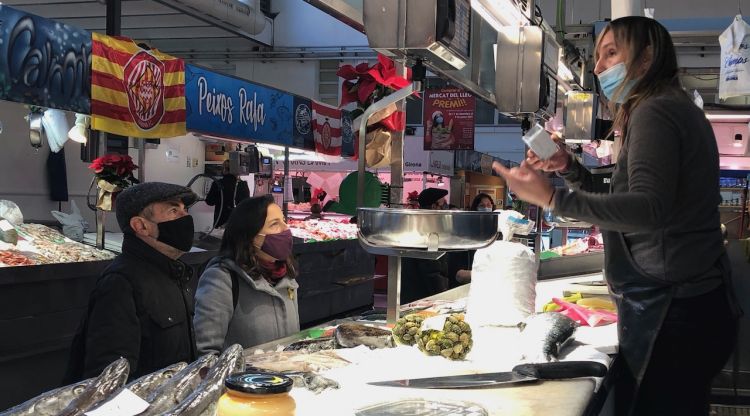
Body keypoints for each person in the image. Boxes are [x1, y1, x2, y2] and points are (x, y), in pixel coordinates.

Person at [493, 16, 739, 416]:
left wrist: (553, 200)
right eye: (597, 56)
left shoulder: (656, 111)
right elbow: (627, 201)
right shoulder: (664, 106)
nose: (597, 66)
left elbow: (647, 210)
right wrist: (569, 168)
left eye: (611, 53)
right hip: (688, 306)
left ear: (646, 59)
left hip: (674, 312)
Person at [65, 182, 198, 381]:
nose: (185, 217)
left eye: (184, 209)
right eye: (173, 210)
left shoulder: (174, 273)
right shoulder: (121, 283)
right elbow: (109, 378)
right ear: (141, 226)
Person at [193, 195, 299, 354]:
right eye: (274, 224)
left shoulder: (286, 275)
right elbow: (207, 352)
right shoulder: (221, 278)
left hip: (287, 376)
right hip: (242, 378)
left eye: (284, 220)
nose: (286, 229)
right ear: (251, 235)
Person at [401, 188, 449, 303]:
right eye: (443, 206)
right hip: (422, 298)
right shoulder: (429, 231)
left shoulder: (416, 225)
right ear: (434, 206)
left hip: (413, 296)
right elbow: (431, 270)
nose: (445, 209)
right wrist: (443, 296)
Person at [449, 193, 497, 286]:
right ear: (475, 208)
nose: (486, 208)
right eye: (482, 205)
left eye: (488, 205)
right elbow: (459, 275)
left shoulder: (496, 233)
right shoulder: (465, 234)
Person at [205, 160, 250, 228]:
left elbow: (209, 202)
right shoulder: (243, 185)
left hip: (220, 221)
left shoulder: (218, 183)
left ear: (224, 169)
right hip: (237, 222)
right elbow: (246, 206)